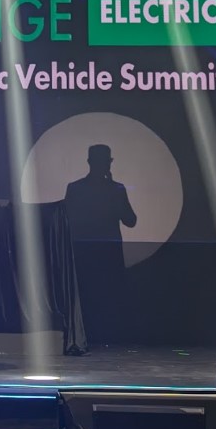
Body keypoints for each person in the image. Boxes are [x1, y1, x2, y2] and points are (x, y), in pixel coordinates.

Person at [64, 143, 137, 342]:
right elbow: (131, 220)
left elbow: (131, 221)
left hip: (94, 251)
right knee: (100, 295)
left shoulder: (79, 188)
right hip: (96, 251)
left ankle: (92, 335)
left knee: (96, 295)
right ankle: (104, 336)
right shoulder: (113, 189)